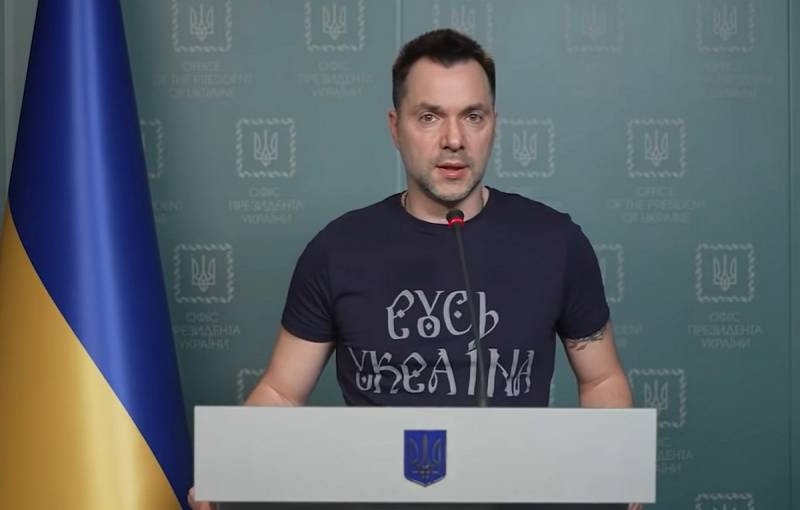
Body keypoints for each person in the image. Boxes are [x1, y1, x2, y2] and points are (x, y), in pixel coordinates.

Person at [189, 29, 638, 510]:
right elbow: (281, 391)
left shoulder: (556, 242)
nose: (454, 140)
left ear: (494, 124)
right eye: (429, 117)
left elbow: (601, 379)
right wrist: (227, 466)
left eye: (473, 116)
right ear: (395, 127)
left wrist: (618, 462)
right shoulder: (336, 250)